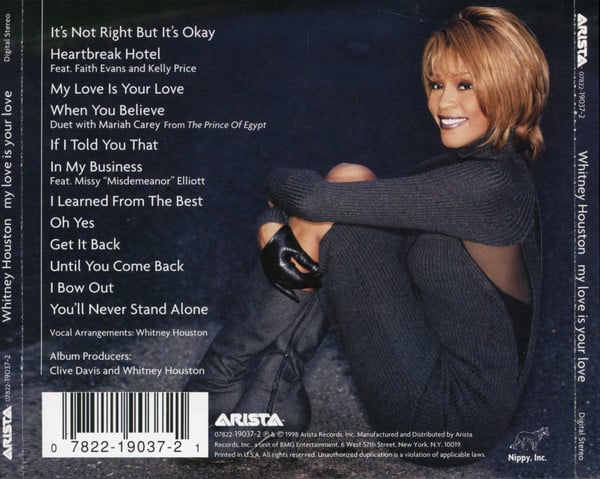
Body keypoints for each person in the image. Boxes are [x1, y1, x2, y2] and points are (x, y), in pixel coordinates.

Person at [185, 6, 549, 465]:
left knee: (334, 217)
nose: (443, 104)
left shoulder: (488, 187)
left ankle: (223, 384)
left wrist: (271, 213)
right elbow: (342, 198)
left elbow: (311, 199)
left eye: (465, 86)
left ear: (510, 88)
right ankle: (260, 389)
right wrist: (276, 218)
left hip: (447, 420)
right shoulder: (483, 169)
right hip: (434, 366)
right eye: (436, 84)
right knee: (350, 179)